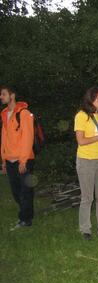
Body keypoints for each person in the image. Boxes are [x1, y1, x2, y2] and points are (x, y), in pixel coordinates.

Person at [74, 86, 98, 240]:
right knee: (87, 197)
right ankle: (85, 229)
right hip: (86, 161)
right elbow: (81, 141)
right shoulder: (82, 116)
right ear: (90, 99)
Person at [1, 86, 35, 230]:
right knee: (16, 192)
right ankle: (26, 214)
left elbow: (28, 138)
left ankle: (25, 219)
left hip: (24, 159)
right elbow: (4, 138)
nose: (1, 97)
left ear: (12, 95)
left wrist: (23, 161)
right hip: (10, 160)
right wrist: (3, 159)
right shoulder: (4, 114)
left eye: (3, 94)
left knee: (25, 191)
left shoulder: (23, 113)